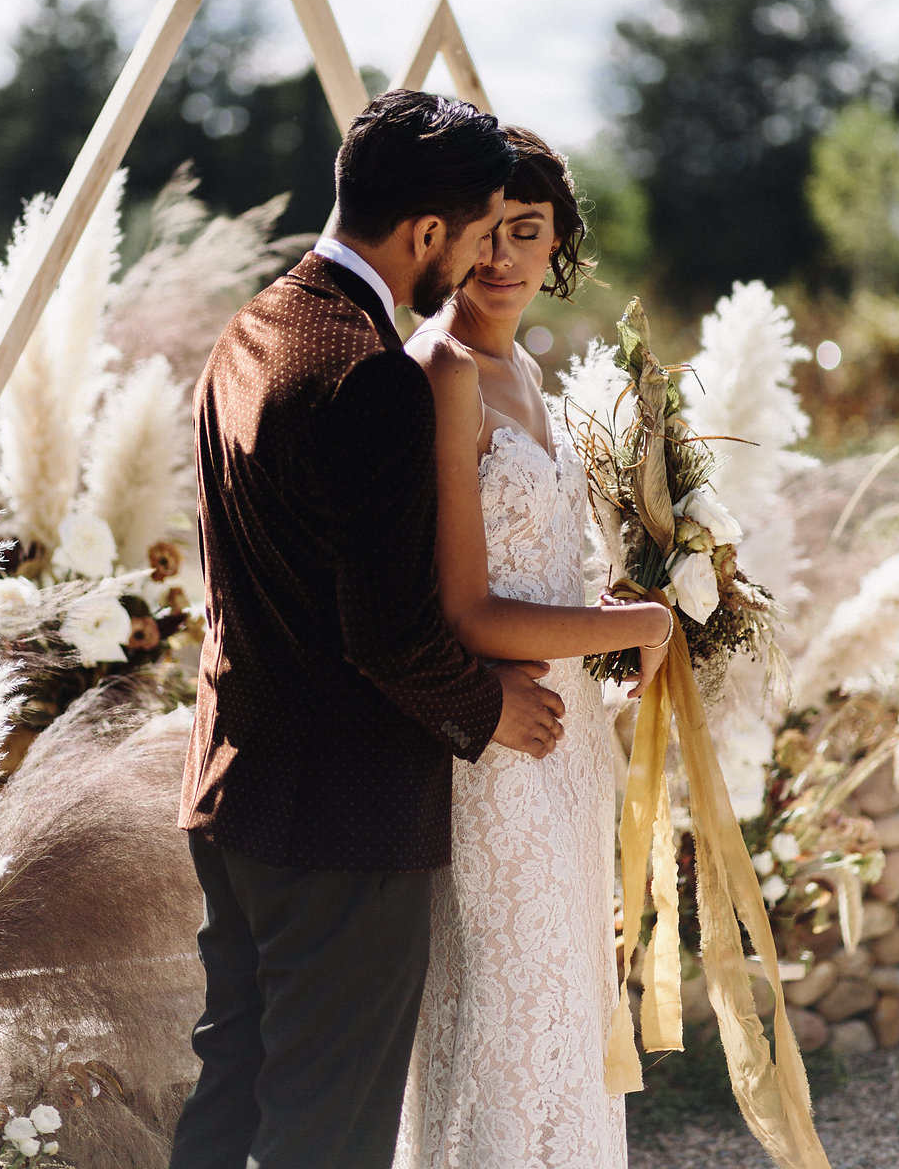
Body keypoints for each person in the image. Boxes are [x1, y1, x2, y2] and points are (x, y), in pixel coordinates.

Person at [169, 91, 575, 1169]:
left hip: (232, 786)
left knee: (231, 1100)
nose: (489, 251)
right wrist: (493, 709)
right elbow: (389, 634)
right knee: (327, 1134)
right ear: (426, 233)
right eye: (481, 228)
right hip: (341, 826)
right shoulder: (372, 376)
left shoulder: (249, 329)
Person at [394, 127, 671, 1168]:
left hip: (570, 748)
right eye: (484, 232)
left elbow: (533, 576)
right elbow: (466, 612)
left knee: (568, 1005)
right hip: (501, 752)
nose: (502, 256)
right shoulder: (444, 371)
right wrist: (637, 625)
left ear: (558, 245)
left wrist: (603, 602)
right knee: (512, 1015)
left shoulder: (528, 377)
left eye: (528, 231)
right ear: (449, 239)